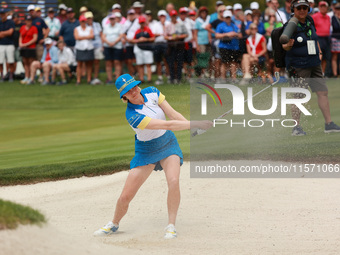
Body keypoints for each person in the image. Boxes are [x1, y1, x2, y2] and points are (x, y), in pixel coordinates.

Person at [93, 73, 212, 238]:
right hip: (146, 150)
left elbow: (173, 115)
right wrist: (196, 123)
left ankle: (171, 225)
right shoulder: (132, 116)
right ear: (124, 96)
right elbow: (167, 124)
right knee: (125, 196)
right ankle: (114, 223)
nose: (133, 91)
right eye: (128, 90)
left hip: (168, 143)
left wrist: (192, 127)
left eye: (134, 86)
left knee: (174, 180)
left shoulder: (153, 92)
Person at [282, 0, 340, 135]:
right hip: (298, 65)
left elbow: (314, 38)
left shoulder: (309, 20)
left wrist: (319, 51)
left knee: (322, 92)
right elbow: (284, 45)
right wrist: (288, 45)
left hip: (314, 63)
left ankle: (329, 124)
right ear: (293, 10)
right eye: (299, 8)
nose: (302, 10)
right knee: (299, 96)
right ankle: (296, 127)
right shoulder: (290, 25)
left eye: (305, 8)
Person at [215, 10, 242, 82]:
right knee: (224, 63)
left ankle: (233, 78)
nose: (227, 19)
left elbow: (240, 35)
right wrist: (227, 34)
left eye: (229, 17)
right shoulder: (220, 25)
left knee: (234, 62)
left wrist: (235, 34)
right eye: (226, 17)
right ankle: (223, 78)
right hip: (224, 46)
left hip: (234, 46)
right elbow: (217, 35)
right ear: (224, 18)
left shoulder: (234, 25)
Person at [164, 10, 188, 83]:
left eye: (175, 16)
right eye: (172, 16)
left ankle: (179, 78)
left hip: (179, 45)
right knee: (171, 62)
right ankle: (172, 78)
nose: (174, 17)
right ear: (170, 17)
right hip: (171, 45)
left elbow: (186, 34)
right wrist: (171, 38)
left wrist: (179, 36)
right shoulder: (168, 25)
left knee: (179, 62)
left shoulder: (181, 24)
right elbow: (165, 36)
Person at [130, 15, 155, 83]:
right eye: (141, 23)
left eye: (143, 22)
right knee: (140, 64)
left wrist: (146, 39)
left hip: (147, 49)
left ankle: (149, 79)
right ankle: (141, 79)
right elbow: (133, 40)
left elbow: (153, 38)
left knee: (148, 64)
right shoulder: (137, 31)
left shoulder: (148, 29)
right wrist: (138, 40)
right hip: (139, 49)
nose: (142, 24)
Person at [102, 13, 124, 84]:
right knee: (108, 62)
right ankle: (110, 79)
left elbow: (121, 35)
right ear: (109, 19)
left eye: (113, 19)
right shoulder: (106, 26)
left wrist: (114, 42)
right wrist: (108, 43)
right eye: (111, 19)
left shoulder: (119, 26)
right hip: (108, 46)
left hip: (117, 46)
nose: (112, 20)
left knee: (117, 62)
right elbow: (103, 36)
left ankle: (117, 79)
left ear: (115, 19)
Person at [74, 15, 94, 85]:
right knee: (79, 64)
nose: (83, 22)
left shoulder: (90, 28)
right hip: (80, 48)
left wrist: (82, 37)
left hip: (89, 47)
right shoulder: (77, 29)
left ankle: (89, 79)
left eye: (84, 21)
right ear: (80, 21)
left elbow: (92, 36)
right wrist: (87, 37)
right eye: (82, 21)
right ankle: (78, 80)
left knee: (89, 64)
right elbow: (77, 37)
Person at [313, 1, 332, 76]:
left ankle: (322, 73)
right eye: (321, 6)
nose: (323, 8)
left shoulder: (328, 17)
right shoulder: (315, 16)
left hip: (326, 39)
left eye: (324, 6)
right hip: (318, 38)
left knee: (325, 57)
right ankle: (316, 73)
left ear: (327, 8)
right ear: (319, 7)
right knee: (319, 56)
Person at [85, 11, 104, 85]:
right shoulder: (85, 26)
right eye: (88, 18)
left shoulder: (97, 25)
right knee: (89, 62)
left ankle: (95, 77)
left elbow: (101, 35)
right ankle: (89, 78)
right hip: (89, 46)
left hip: (98, 45)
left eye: (90, 18)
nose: (89, 19)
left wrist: (102, 45)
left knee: (96, 62)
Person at [19, 15, 38, 84]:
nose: (28, 22)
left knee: (31, 63)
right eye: (27, 21)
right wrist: (20, 43)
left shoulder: (34, 28)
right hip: (23, 48)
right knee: (25, 62)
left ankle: (31, 77)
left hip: (31, 48)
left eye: (30, 21)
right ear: (25, 21)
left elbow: (34, 39)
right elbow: (20, 36)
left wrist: (25, 44)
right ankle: (26, 77)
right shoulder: (23, 27)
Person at [0, 8, 15, 82]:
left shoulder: (10, 22)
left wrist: (2, 33)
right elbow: (8, 32)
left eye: (3, 14)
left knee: (11, 61)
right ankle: (2, 76)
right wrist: (6, 33)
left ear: (6, 14)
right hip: (1, 44)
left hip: (10, 44)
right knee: (0, 61)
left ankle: (10, 76)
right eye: (1, 14)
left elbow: (11, 32)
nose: (2, 15)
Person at [331, 3, 340, 78]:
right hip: (335, 39)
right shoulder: (333, 18)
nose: (338, 10)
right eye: (337, 9)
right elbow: (335, 28)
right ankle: (335, 74)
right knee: (335, 57)